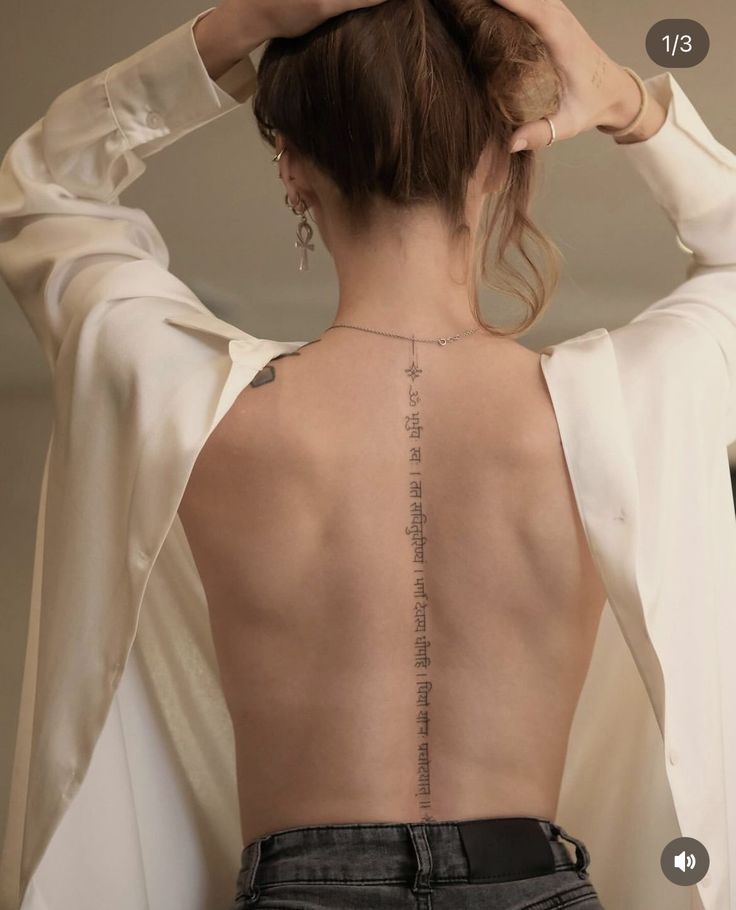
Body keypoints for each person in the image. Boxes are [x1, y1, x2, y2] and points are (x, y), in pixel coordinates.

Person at [0, 1, 734, 909]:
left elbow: (43, 192)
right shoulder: (619, 402)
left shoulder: (188, 400)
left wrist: (242, 24)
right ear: (508, 155)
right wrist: (627, 100)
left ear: (293, 168)